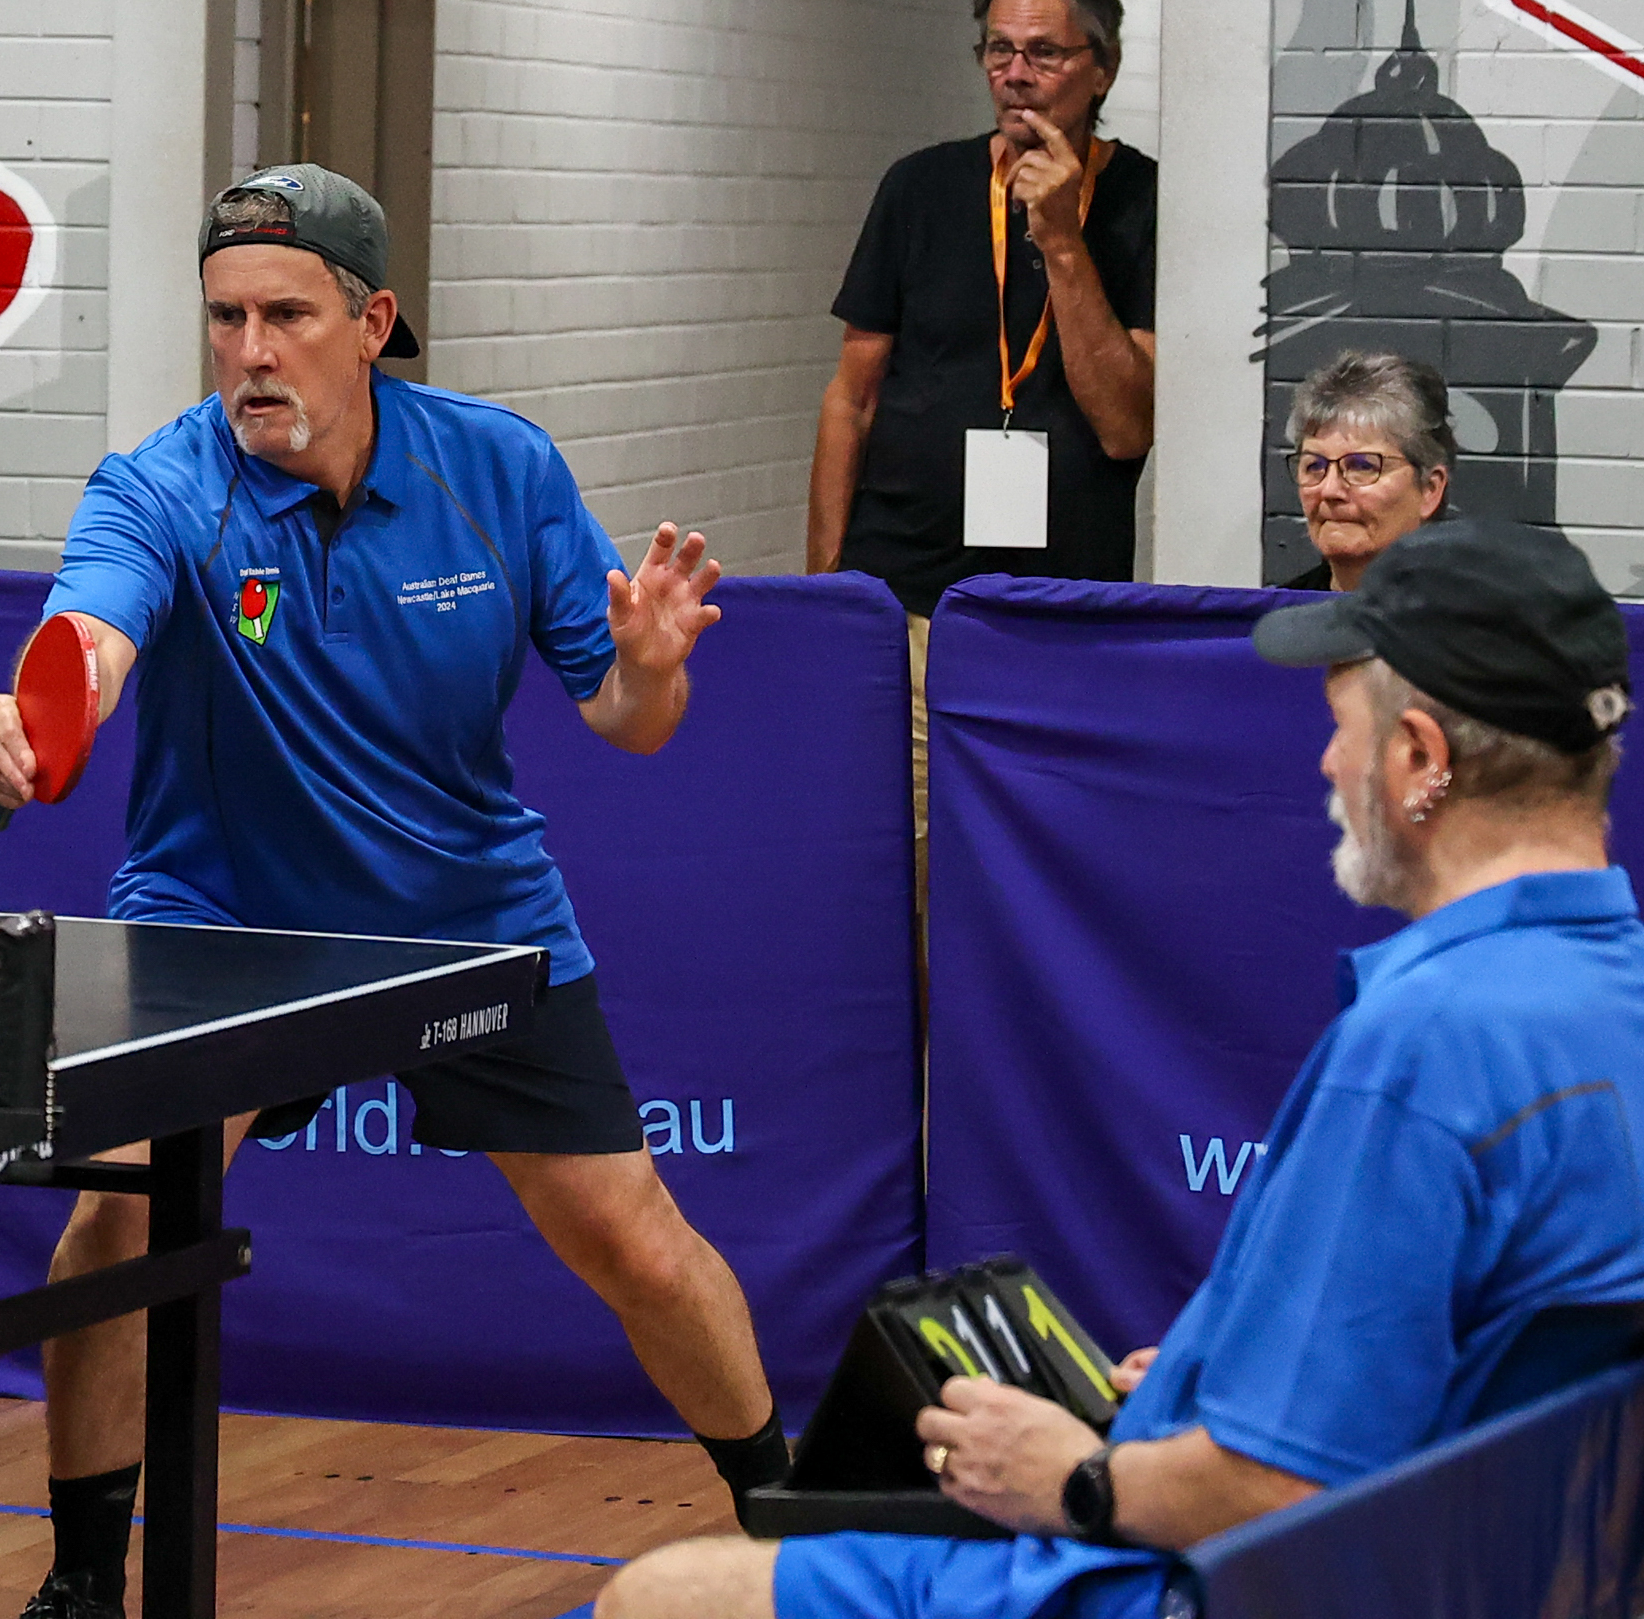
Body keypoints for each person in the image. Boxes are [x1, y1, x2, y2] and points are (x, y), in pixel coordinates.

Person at [0, 163, 786, 1619]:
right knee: (119, 1229)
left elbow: (626, 720)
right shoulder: (161, 487)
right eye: (225, 318)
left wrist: (653, 669)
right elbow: (92, 635)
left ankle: (794, 1522)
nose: (250, 353)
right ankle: (86, 1583)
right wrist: (44, 711)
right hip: (227, 918)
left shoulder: (498, 469)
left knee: (628, 1235)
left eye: (286, 314)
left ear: (373, 320)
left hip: (468, 908)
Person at [599, 517, 1644, 1619]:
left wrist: (1073, 1473)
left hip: (1247, 1587)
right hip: (1512, 1577)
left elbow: (1280, 1487)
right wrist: (1206, 1380)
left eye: (1340, 729)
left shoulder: (1417, 1053)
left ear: (1419, 759)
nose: (1328, 763)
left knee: (668, 1593)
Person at [806, 0, 1157, 907]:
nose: (1015, 73)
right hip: (909, 594)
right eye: (997, 50)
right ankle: (925, 1062)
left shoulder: (1146, 203)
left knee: (1047, 874)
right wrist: (828, 588)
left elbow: (1127, 426)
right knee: (907, 871)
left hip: (1063, 612)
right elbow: (852, 394)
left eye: (1043, 53)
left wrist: (1060, 239)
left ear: (1102, 67)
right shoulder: (918, 188)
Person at [1281, 350, 1453, 591]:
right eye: (1314, 466)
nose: (1330, 490)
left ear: (1429, 489)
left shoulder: (1478, 624)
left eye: (1362, 466)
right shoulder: (1277, 621)